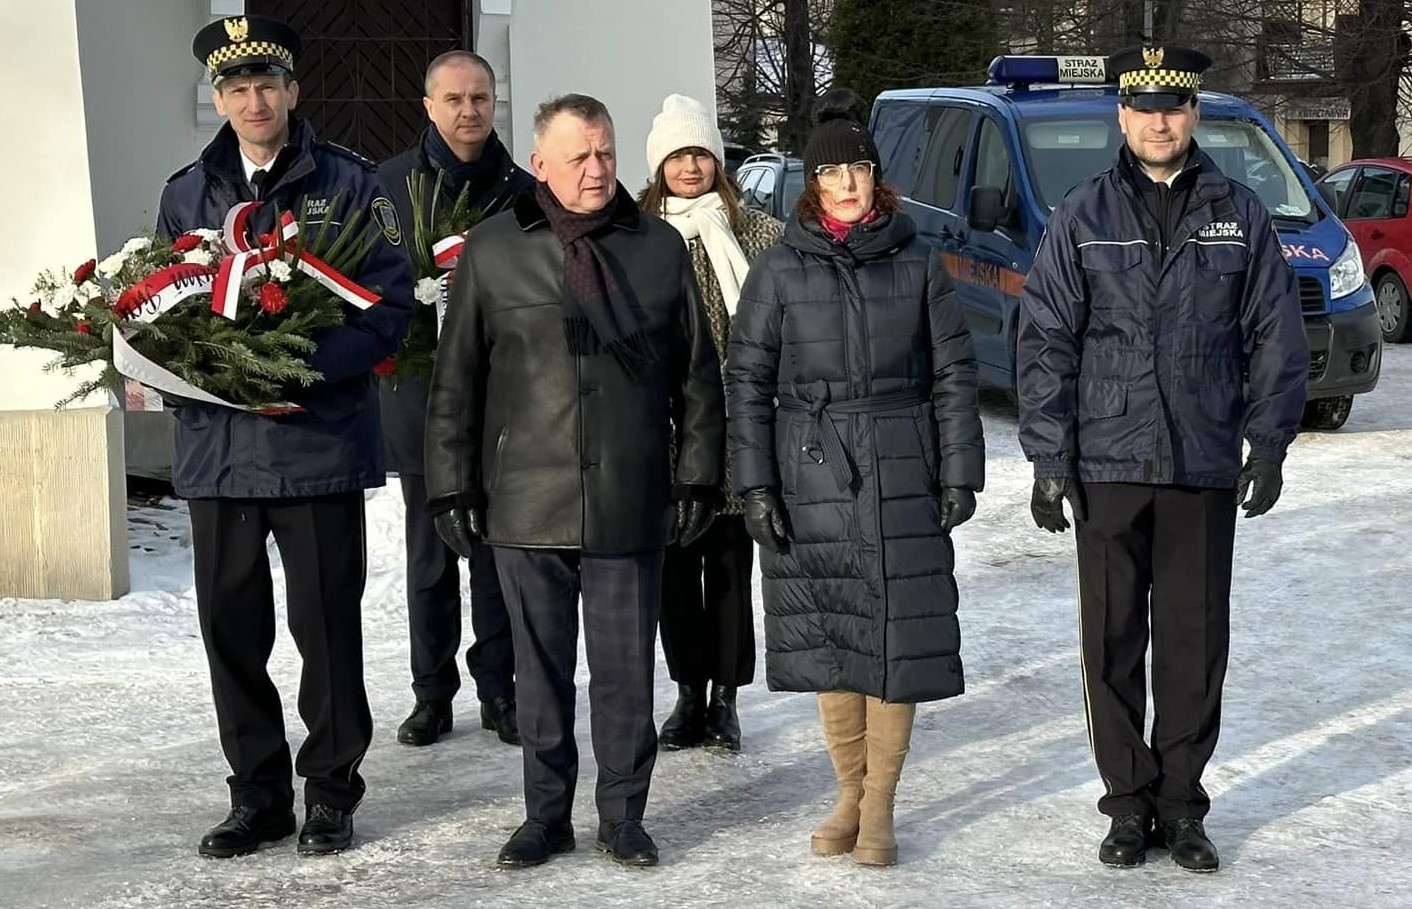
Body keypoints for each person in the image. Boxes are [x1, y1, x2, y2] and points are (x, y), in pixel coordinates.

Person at [1016, 45, 1309, 873]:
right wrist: (1048, 454)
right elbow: (1045, 340)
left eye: (1174, 107)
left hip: (1201, 463)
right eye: (1144, 107)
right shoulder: (1084, 215)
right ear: (1121, 115)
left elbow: (1274, 336)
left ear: (1195, 115)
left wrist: (1270, 441)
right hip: (1107, 463)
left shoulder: (1239, 213)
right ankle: (1126, 805)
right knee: (1110, 646)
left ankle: (1181, 805)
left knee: (1192, 644)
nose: (1159, 121)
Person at [423, 94, 725, 869]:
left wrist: (695, 475)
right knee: (541, 674)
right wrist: (451, 487)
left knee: (625, 671)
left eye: (607, 154)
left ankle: (624, 813)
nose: (596, 170)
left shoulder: (657, 247)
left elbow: (696, 377)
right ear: (542, 162)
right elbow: (455, 383)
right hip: (527, 498)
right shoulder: (493, 251)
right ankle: (544, 814)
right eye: (580, 156)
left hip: (629, 495)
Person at [158, 16, 414, 857]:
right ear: (219, 100)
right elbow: (158, 308)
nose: (254, 99)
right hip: (220, 454)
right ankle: (257, 793)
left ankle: (332, 791)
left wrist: (296, 367)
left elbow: (388, 305)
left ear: (294, 90)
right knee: (231, 633)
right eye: (237, 88)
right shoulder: (186, 192)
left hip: (316, 446)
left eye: (268, 84)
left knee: (326, 631)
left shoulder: (349, 182)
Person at [726, 90, 985, 867]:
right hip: (810, 472)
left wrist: (960, 470)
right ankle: (847, 790)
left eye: (859, 169)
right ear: (812, 182)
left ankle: (880, 808)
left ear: (877, 177)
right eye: (832, 170)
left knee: (895, 644)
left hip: (903, 462)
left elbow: (954, 372)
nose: (846, 183)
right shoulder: (776, 269)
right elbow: (746, 381)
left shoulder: (917, 261)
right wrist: (757, 486)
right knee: (833, 642)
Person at [377, 50, 533, 749]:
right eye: (455, 99)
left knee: (498, 551)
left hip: (505, 404)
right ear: (428, 106)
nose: (469, 111)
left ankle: (500, 686)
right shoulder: (387, 188)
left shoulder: (525, 193)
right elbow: (368, 288)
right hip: (419, 398)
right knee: (430, 553)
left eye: (481, 98)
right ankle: (431, 692)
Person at [639, 94, 782, 753]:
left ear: (716, 161)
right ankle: (686, 692)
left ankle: (725, 697)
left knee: (729, 566)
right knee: (673, 567)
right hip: (664, 428)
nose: (690, 166)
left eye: (699, 153)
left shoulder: (757, 232)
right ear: (658, 165)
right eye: (677, 155)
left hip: (738, 426)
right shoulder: (639, 232)